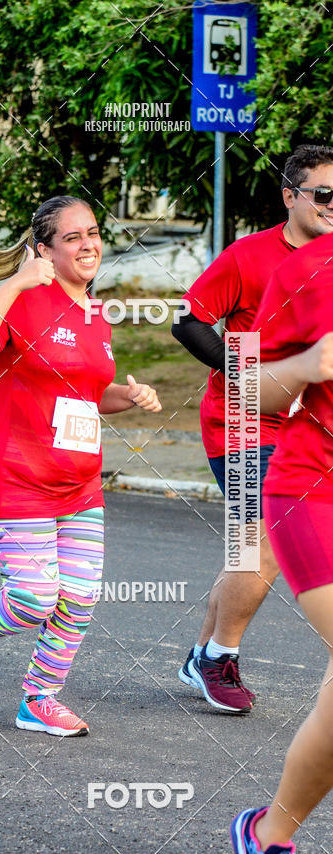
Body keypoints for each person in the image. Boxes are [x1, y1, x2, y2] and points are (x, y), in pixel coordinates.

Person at [0, 195, 161, 736]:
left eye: (93, 233)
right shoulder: (24, 303)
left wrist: (129, 395)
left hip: (79, 485)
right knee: (34, 598)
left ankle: (40, 698)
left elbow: (85, 395)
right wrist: (16, 283)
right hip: (17, 479)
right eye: (72, 237)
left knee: (77, 598)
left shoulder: (97, 315)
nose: (88, 245)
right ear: (43, 249)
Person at [171, 144, 333, 713]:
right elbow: (186, 321)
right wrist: (243, 371)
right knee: (263, 540)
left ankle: (201, 655)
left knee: (250, 547)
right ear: (290, 196)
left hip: (309, 429)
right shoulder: (249, 256)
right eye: (324, 195)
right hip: (242, 419)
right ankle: (219, 657)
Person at [229, 230, 333, 854]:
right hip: (314, 488)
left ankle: (268, 836)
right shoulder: (312, 272)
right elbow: (248, 387)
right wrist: (309, 367)